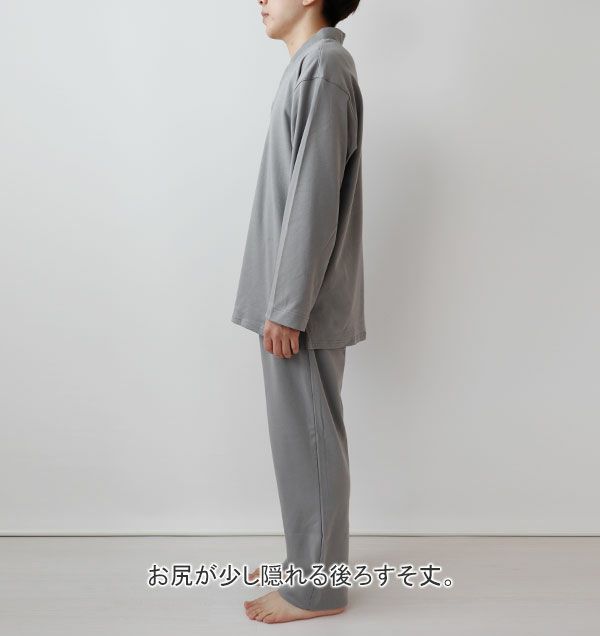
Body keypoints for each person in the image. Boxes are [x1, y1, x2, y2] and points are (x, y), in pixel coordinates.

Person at [231, 0, 364, 624]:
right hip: (290, 300)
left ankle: (318, 589)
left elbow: (313, 195)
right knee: (299, 438)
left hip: (298, 306)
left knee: (309, 439)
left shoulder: (324, 67)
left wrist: (288, 306)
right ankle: (306, 563)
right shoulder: (311, 66)